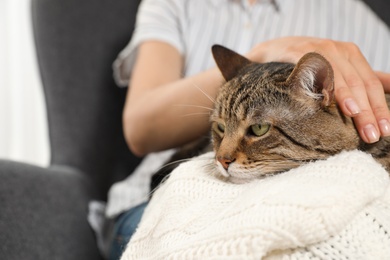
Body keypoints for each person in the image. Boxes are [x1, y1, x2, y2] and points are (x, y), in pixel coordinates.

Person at [107, 0, 390, 258]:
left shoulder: (351, 14)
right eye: (219, 127)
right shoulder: (176, 4)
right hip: (163, 200)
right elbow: (139, 129)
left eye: (257, 129)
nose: (225, 156)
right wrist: (261, 53)